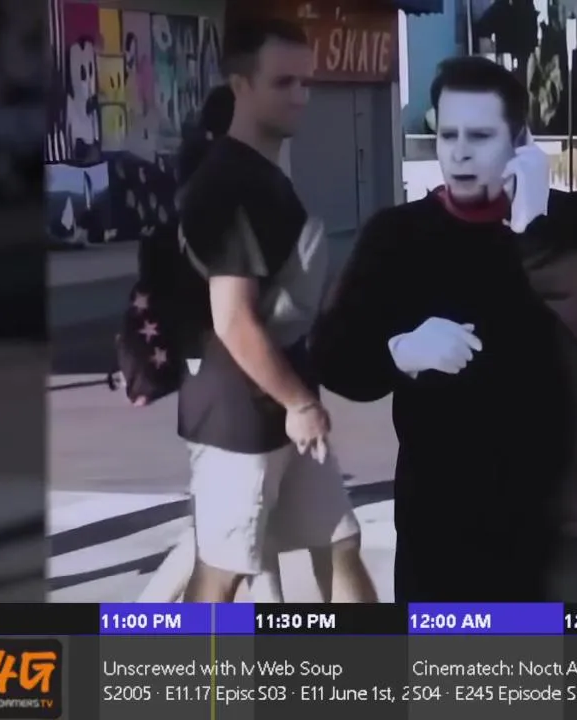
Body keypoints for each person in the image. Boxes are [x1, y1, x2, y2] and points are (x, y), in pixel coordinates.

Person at [313, 56, 577, 602]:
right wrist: (398, 352)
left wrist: (534, 232)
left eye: (481, 136)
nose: (460, 152)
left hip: (564, 523)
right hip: (446, 524)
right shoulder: (398, 236)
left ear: (521, 141)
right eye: (449, 135)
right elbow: (334, 357)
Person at [175, 19, 376, 603]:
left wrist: (298, 402)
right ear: (240, 85)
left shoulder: (265, 176)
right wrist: (300, 403)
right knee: (222, 572)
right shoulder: (226, 184)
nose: (301, 96)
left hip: (286, 406)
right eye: (283, 82)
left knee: (339, 542)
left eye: (306, 82)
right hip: (237, 418)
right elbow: (232, 318)